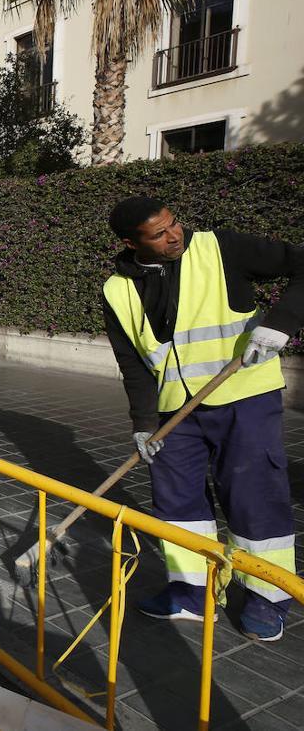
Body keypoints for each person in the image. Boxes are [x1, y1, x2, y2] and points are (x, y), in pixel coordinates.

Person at [102, 196, 303, 642]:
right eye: (159, 234)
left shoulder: (221, 248)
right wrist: (144, 423)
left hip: (244, 396)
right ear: (130, 242)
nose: (174, 236)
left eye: (173, 225)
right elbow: (133, 363)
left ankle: (267, 598)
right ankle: (193, 594)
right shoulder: (116, 289)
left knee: (254, 496)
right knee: (177, 506)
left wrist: (282, 323)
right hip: (176, 410)